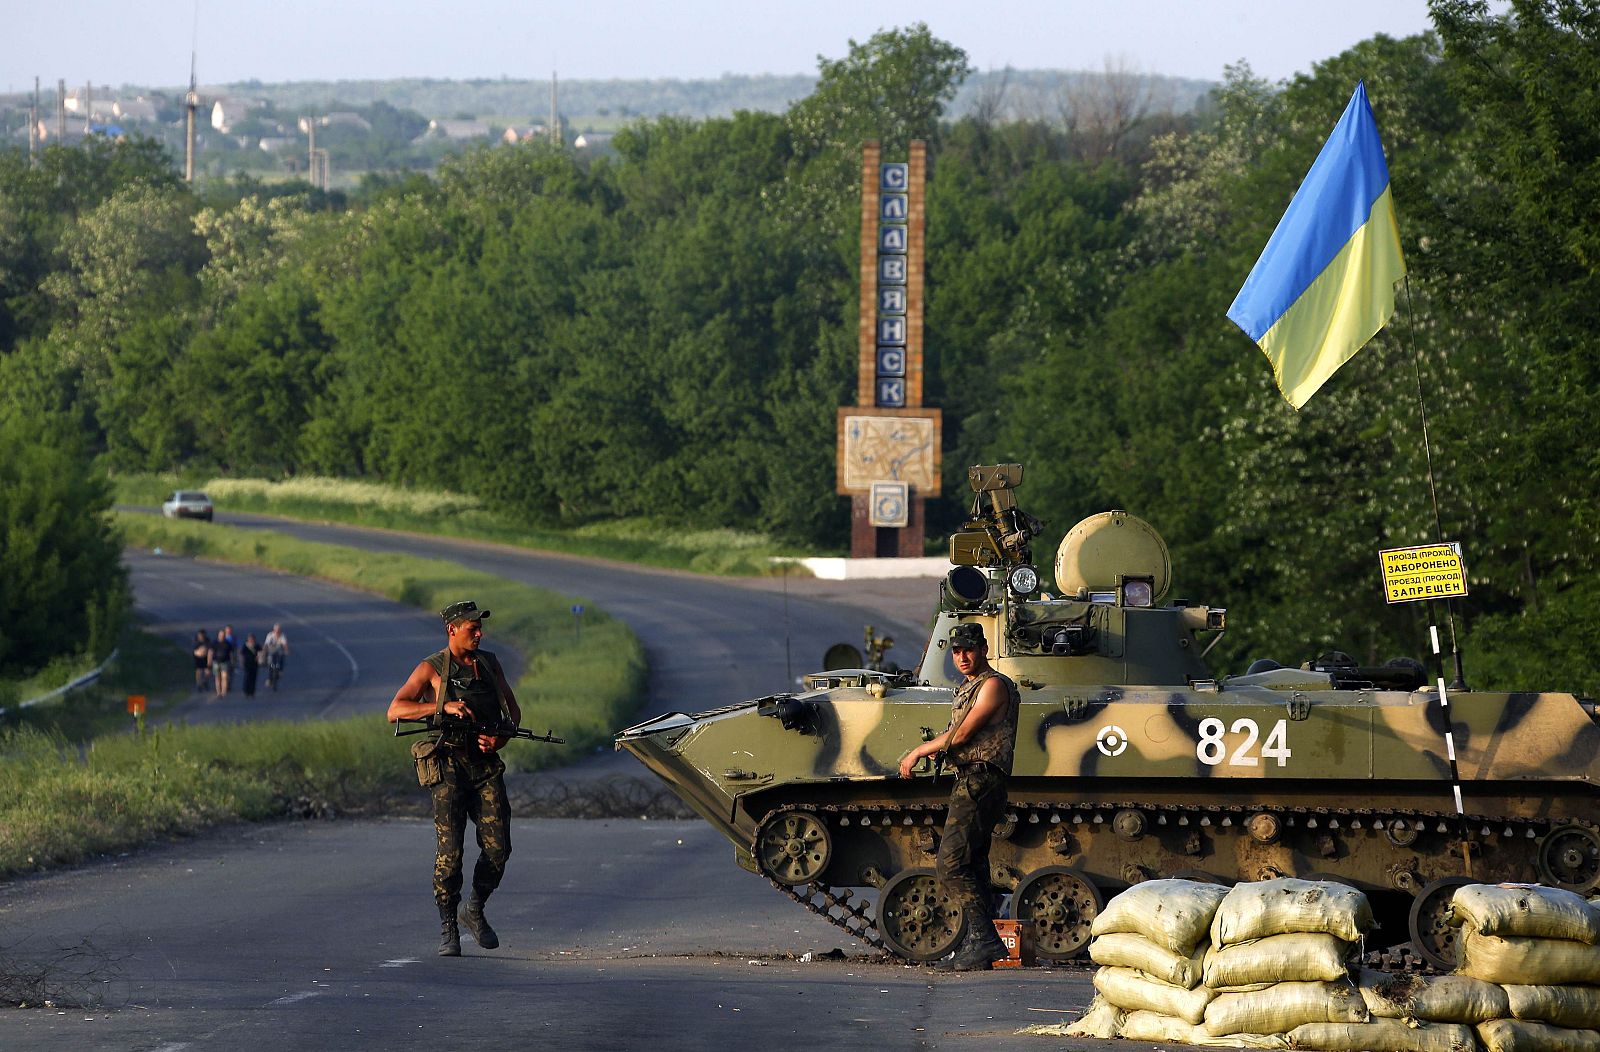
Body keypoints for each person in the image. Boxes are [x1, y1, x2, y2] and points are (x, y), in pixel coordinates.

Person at [386, 600, 520, 957]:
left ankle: (473, 908)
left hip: (485, 767)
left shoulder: (489, 664)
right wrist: (440, 706)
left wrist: (500, 738)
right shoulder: (432, 668)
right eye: (472, 628)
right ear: (452, 630)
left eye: (480, 628)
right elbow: (395, 710)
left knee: (498, 849)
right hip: (448, 769)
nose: (479, 633)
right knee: (451, 855)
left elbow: (513, 711)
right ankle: (448, 926)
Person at [898, 622, 1021, 971]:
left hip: (981, 782)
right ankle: (977, 943)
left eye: (968, 649)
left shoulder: (993, 685)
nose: (962, 657)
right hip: (971, 779)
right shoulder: (970, 688)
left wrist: (919, 750)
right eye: (956, 651)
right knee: (973, 866)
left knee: (950, 863)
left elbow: (964, 732)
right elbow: (958, 733)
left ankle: (984, 939)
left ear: (983, 648)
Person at [263, 623, 289, 691]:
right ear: (274, 630)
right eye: (276, 630)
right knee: (271, 665)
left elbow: (285, 644)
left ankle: (280, 670)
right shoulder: (270, 635)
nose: (277, 632)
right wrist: (264, 651)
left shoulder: (282, 636)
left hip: (279, 652)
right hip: (271, 652)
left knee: (281, 658)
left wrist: (286, 650)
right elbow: (266, 644)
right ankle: (269, 679)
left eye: (279, 630)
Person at [210, 625, 235, 697]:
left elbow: (231, 653)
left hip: (225, 662)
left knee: (225, 676)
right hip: (216, 662)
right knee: (217, 677)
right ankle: (218, 692)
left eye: (223, 635)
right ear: (218, 635)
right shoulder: (214, 643)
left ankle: (224, 691)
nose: (222, 636)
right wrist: (209, 661)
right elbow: (210, 652)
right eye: (220, 635)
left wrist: (232, 661)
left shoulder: (228, 643)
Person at [240, 632, 261, 698]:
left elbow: (261, 653)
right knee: (247, 678)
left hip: (255, 665)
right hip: (247, 664)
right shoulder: (245, 646)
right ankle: (246, 691)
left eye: (252, 639)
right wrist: (242, 662)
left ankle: (252, 692)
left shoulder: (257, 646)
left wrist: (259, 657)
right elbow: (242, 655)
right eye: (250, 639)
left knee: (253, 679)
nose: (251, 640)